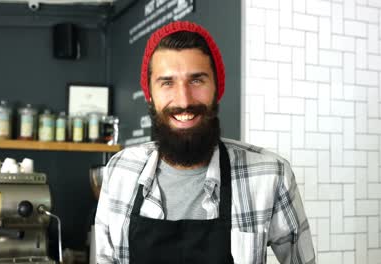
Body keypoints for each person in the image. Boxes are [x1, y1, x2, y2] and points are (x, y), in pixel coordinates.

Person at [95, 21, 315, 264]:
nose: (184, 100)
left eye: (197, 80)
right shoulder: (120, 171)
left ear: (216, 88)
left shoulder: (269, 175)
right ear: (150, 94)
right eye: (167, 82)